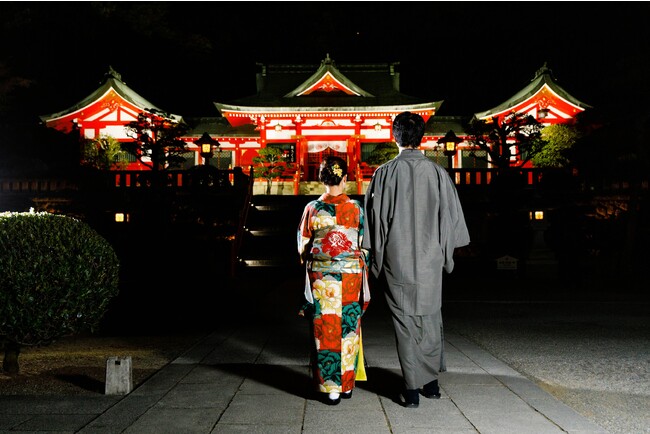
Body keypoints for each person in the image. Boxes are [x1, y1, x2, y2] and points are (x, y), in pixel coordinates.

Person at [362, 111, 470, 408]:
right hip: (430, 257)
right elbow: (450, 219)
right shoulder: (437, 173)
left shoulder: (384, 173)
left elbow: (375, 221)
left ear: (394, 136)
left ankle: (411, 389)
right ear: (421, 137)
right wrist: (445, 253)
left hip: (396, 257)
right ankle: (431, 384)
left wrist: (375, 257)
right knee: (430, 317)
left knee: (405, 321)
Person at [297, 156, 370, 406]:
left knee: (325, 327)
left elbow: (303, 246)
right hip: (350, 275)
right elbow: (364, 245)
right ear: (345, 178)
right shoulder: (356, 209)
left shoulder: (312, 208)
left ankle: (330, 389)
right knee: (348, 327)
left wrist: (313, 263)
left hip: (321, 277)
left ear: (321, 179)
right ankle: (346, 385)